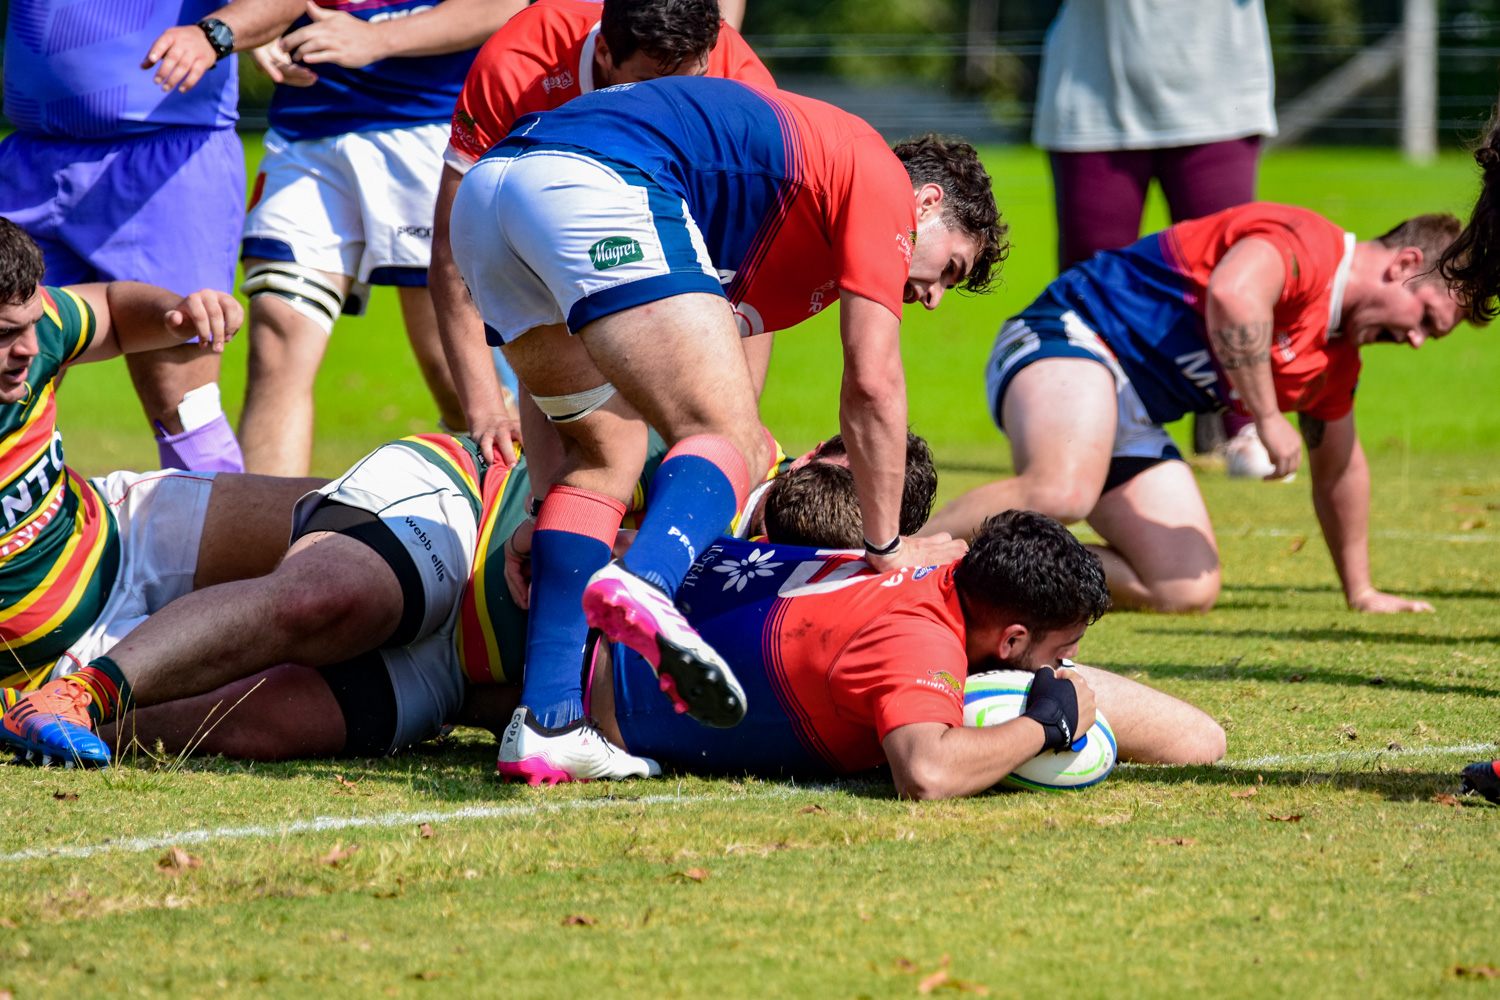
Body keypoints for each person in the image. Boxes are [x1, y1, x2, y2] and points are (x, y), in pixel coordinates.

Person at [450, 75, 1005, 784]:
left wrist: (541, 510)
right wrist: (886, 546)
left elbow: (557, 380)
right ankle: (649, 586)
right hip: (592, 178)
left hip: (491, 195)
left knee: (606, 456)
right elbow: (871, 381)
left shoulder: (780, 242)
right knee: (731, 436)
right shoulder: (881, 180)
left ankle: (548, 724)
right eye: (946, 270)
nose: (931, 299)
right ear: (924, 203)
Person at [1, 418, 937, 766]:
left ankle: (42, 716)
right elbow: (588, 415)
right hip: (463, 512)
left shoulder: (799, 579)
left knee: (267, 725)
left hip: (458, 669)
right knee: (328, 603)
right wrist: (552, 487)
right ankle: (87, 688)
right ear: (815, 447)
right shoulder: (725, 455)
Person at [922, 202, 1468, 616]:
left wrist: (1362, 590)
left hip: (1130, 411)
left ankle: (979, 570)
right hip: (1071, 335)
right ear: (1405, 264)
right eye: (1424, 319)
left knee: (1184, 586)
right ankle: (900, 557)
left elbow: (1340, 470)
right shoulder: (1309, 244)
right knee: (1062, 491)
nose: (1417, 341)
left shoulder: (1336, 357)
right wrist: (1268, 418)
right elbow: (1234, 295)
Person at [590, 511, 1225, 796]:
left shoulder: (949, 562)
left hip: (622, 587)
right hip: (592, 685)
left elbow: (1201, 742)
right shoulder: (917, 640)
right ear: (1010, 642)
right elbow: (927, 774)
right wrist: (1043, 725)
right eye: (1067, 649)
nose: (1072, 662)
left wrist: (1063, 685)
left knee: (1201, 742)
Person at [0, 219, 318, 765]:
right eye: (5, 334)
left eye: (30, 325)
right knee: (297, 700)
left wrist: (175, 315)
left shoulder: (37, 327)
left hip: (127, 530)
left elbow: (114, 309)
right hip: (57, 668)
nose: (30, 348)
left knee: (344, 519)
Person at [171, 0, 525, 475]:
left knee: (455, 372)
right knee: (276, 344)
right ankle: (265, 541)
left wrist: (375, 39)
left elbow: (504, 6)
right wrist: (262, 32)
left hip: (427, 128)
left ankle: (522, 522)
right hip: (307, 132)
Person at [432, 0, 776, 468]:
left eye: (686, 87)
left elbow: (752, 264)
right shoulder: (520, 63)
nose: (665, 108)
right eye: (649, 86)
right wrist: (487, 410)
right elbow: (454, 254)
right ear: (605, 54)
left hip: (667, 210)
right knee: (596, 451)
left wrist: (735, 431)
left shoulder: (739, 82)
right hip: (544, 219)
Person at [0, 0, 305, 473]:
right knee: (5, 378)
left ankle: (223, 546)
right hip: (28, 157)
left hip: (168, 160)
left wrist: (215, 35)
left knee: (183, 405)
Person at [1032, 0, 1280, 470]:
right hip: (1094, 86)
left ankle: (1242, 423)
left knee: (1232, 273)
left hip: (1220, 92)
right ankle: (1091, 424)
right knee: (1090, 285)